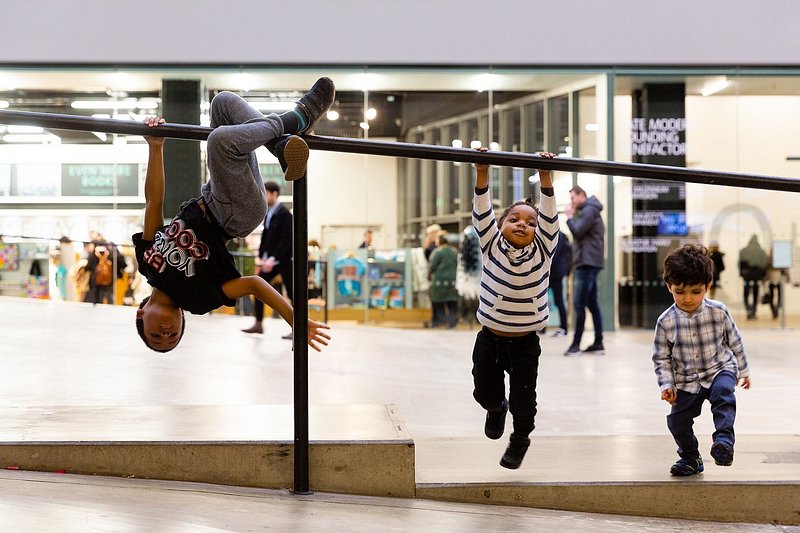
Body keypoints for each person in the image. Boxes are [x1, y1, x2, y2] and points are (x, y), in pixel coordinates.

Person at [132, 77, 335, 353]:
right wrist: (294, 320)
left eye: (156, 336)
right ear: (182, 321)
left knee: (222, 105)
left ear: (141, 316)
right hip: (234, 215)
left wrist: (155, 146)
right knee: (219, 142)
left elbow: (153, 203)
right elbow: (253, 284)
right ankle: (297, 117)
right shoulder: (199, 300)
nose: (167, 334)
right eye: (173, 337)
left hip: (214, 194)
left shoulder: (147, 263)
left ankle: (281, 146)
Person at [470, 148, 559, 470]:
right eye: (514, 219)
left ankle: (520, 439)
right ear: (501, 224)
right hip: (489, 339)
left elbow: (550, 215)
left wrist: (546, 175)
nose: (522, 224)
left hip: (524, 344)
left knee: (525, 403)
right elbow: (482, 210)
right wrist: (483, 171)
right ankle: (496, 409)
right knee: (484, 392)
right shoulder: (490, 244)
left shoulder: (544, 249)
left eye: (530, 222)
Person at [652, 243, 751, 477]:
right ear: (669, 287)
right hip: (687, 380)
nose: (688, 299)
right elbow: (661, 358)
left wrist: (744, 370)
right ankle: (690, 457)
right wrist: (667, 385)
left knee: (723, 395)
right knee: (677, 421)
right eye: (680, 291)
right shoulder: (665, 322)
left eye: (696, 292)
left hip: (720, 368)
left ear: (707, 286)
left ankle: (724, 442)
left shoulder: (718, 311)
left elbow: (735, 340)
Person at [241, 181, 294, 337]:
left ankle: (297, 328)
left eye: (266, 193)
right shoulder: (268, 213)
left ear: (274, 194)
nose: (263, 196)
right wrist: (263, 255)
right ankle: (258, 323)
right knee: (258, 287)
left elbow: (287, 240)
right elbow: (267, 236)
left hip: (284, 261)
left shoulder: (285, 215)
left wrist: (273, 259)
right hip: (271, 260)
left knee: (292, 294)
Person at [563, 185, 605, 356]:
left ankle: (575, 345)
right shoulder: (591, 210)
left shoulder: (589, 210)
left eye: (573, 198)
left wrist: (569, 217)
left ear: (581, 195)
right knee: (592, 304)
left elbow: (578, 231)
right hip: (588, 261)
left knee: (579, 303)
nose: (571, 202)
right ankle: (598, 343)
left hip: (587, 263)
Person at [428, 232, 458, 328]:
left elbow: (432, 266)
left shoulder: (437, 252)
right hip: (453, 281)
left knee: (438, 302)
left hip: (439, 282)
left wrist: (428, 275)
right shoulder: (454, 251)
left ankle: (441, 321)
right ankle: (452, 323)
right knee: (452, 303)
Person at [738, 234, 768, 320]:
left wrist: (742, 273)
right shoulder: (761, 251)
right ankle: (753, 311)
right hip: (757, 276)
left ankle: (748, 310)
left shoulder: (743, 251)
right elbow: (764, 264)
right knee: (755, 294)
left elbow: (740, 264)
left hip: (746, 276)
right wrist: (762, 275)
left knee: (746, 294)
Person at [549, 230, 572, 337]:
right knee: (541, 301)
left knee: (559, 302)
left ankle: (564, 328)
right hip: (552, 273)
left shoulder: (559, 235)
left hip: (555, 273)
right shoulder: (557, 234)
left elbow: (555, 255)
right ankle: (541, 327)